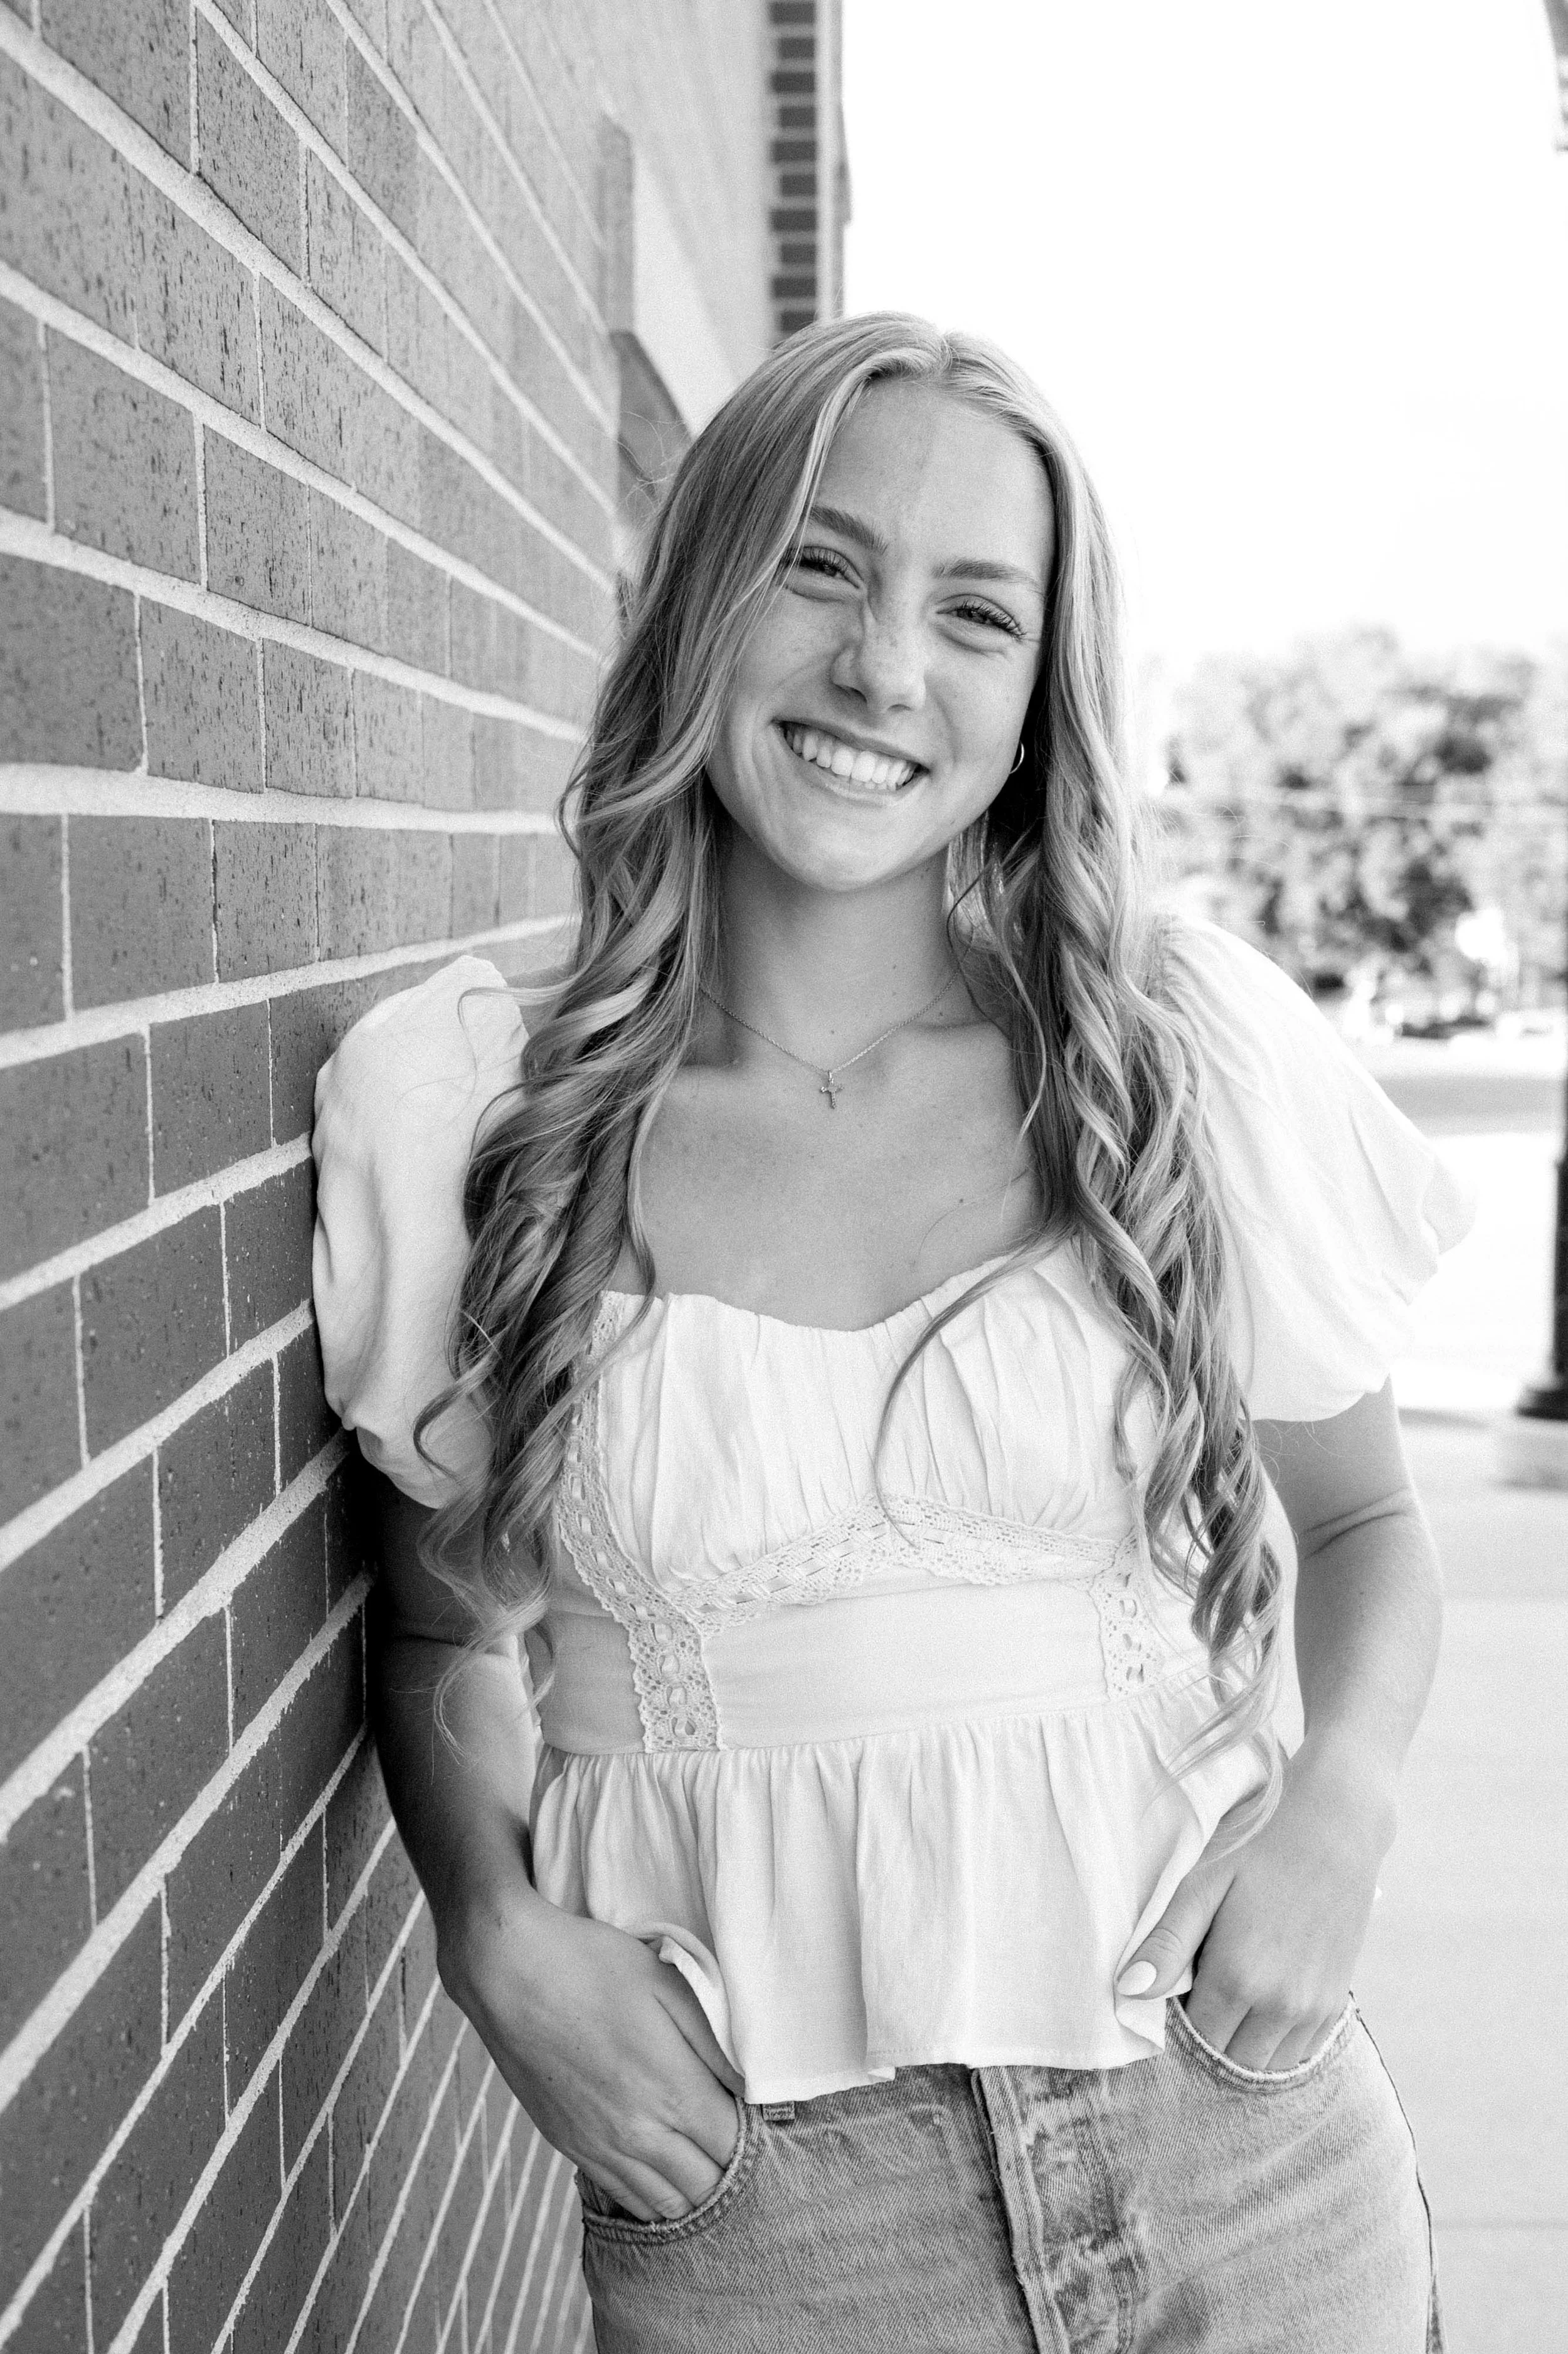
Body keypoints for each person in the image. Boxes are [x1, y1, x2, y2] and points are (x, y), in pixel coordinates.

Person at [312, 314, 1469, 2352]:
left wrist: (1339, 1810)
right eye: (820, 566)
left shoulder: (1167, 1055)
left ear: (1035, 701)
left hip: (1243, 2153)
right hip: (770, 2226)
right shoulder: (482, 1109)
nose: (881, 670)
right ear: (699, 597)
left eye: (974, 615)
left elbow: (1366, 1528)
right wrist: (490, 1928)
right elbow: (439, 1635)